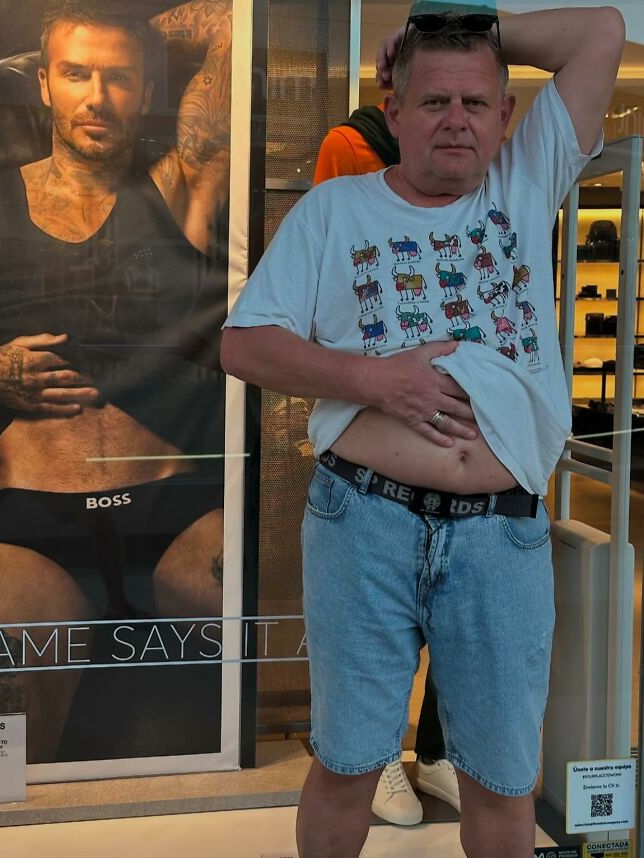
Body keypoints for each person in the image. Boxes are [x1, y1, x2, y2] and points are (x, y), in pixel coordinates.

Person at [221, 5, 624, 857]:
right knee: (346, 764)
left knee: (503, 777)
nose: (455, 120)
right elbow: (243, 344)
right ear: (393, 110)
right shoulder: (334, 212)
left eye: (477, 102)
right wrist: (376, 379)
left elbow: (603, 31)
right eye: (433, 99)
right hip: (364, 522)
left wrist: (467, 34)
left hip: (502, 537)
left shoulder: (527, 179)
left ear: (506, 117)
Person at [0, 0, 231, 763]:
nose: (96, 96)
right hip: (42, 529)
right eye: (75, 72)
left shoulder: (177, 188)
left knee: (310, 655)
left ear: (146, 91)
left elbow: (233, 31)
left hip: (175, 512)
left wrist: (134, 25)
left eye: (119, 77)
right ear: (42, 83)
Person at [315, 105, 460, 825]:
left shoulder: (479, 174)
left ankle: (433, 753)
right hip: (374, 447)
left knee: (459, 627)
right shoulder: (349, 152)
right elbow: (342, 293)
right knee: (376, 634)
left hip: (470, 463)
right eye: (433, 94)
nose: (454, 116)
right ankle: (375, 759)